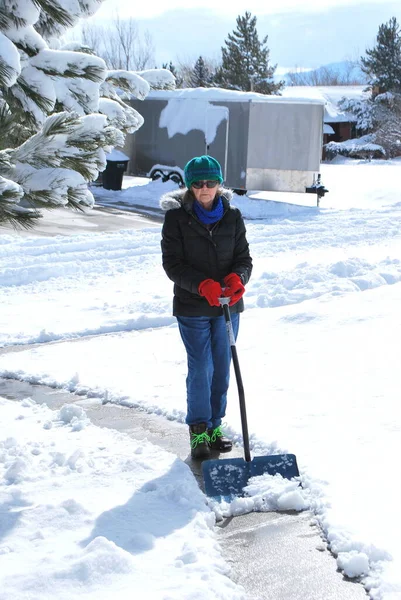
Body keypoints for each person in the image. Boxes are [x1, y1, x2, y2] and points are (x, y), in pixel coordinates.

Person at [160, 155, 252, 459]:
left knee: (222, 367)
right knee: (201, 367)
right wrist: (202, 285)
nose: (204, 188)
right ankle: (198, 430)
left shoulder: (233, 216)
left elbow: (244, 259)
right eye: (198, 183)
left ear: (219, 183)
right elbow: (173, 265)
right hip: (192, 306)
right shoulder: (177, 218)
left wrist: (238, 279)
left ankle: (214, 427)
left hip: (227, 306)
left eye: (210, 182)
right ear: (189, 185)